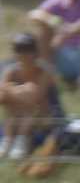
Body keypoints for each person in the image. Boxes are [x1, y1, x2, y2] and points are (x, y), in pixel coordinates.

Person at [2, 34, 61, 163]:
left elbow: (37, 97)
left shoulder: (44, 71)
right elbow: (2, 96)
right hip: (18, 115)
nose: (23, 54)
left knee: (27, 104)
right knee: (15, 107)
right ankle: (10, 141)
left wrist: (13, 92)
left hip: (46, 115)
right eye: (18, 49)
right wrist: (20, 93)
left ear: (35, 52)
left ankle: (18, 142)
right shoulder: (10, 71)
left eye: (27, 49)